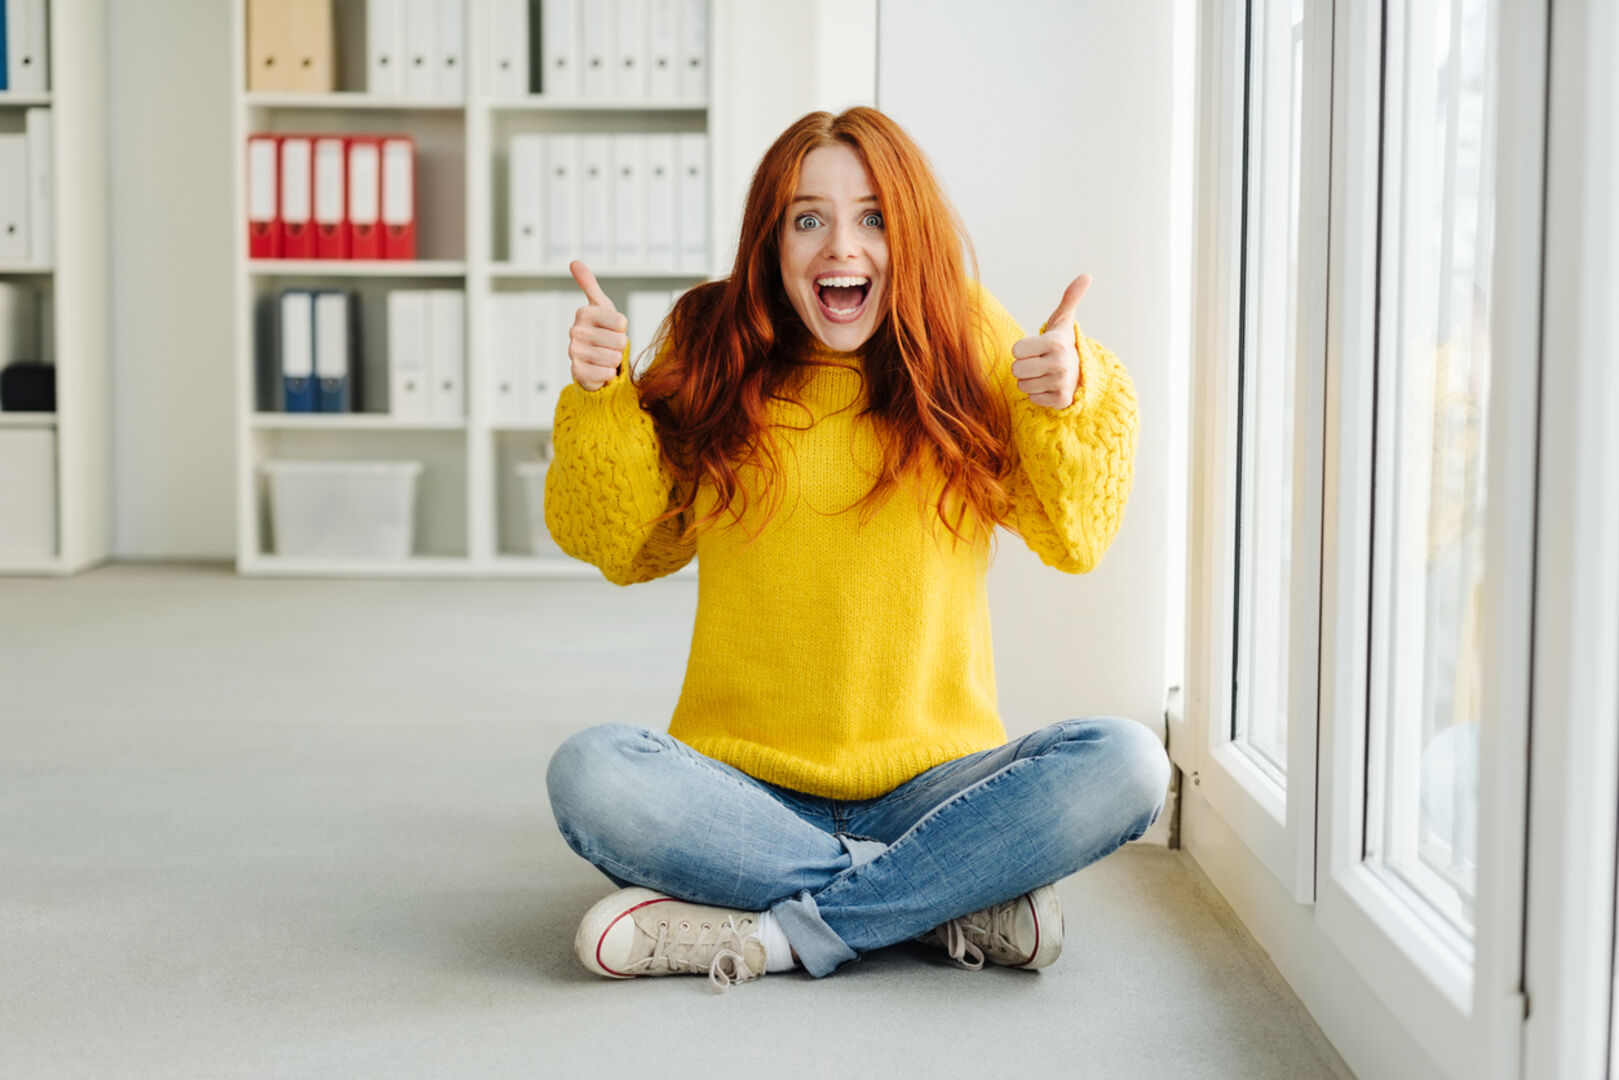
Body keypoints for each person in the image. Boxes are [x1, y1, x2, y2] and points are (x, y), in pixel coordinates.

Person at [543, 107, 1168, 990]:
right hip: (743, 787)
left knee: (1129, 762)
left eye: (872, 216)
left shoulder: (967, 339)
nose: (843, 246)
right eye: (809, 219)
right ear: (772, 239)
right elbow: (619, 545)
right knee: (593, 774)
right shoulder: (712, 345)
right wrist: (604, 398)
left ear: (908, 230)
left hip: (933, 785)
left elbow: (1075, 537)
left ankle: (774, 932)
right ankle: (944, 898)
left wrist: (1069, 397)